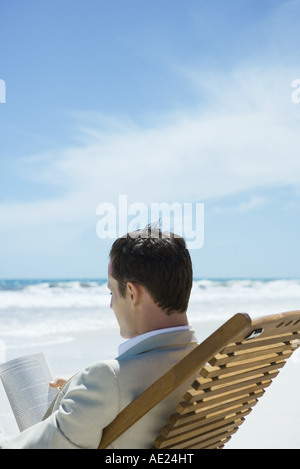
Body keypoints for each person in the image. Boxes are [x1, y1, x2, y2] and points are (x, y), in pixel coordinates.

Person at [0, 227, 198, 449]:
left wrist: (99, 386)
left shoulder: (108, 379)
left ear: (132, 293)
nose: (111, 305)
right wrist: (83, 393)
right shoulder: (205, 361)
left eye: (111, 292)